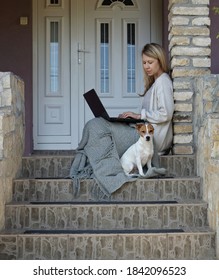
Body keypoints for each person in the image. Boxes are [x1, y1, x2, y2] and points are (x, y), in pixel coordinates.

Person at [69, 43, 174, 197]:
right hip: (144, 133)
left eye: (150, 62)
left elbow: (166, 113)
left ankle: (106, 169)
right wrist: (133, 119)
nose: (146, 66)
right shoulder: (154, 83)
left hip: (154, 138)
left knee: (97, 126)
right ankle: (101, 165)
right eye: (144, 63)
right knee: (99, 124)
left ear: (160, 60)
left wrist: (139, 116)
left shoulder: (163, 82)